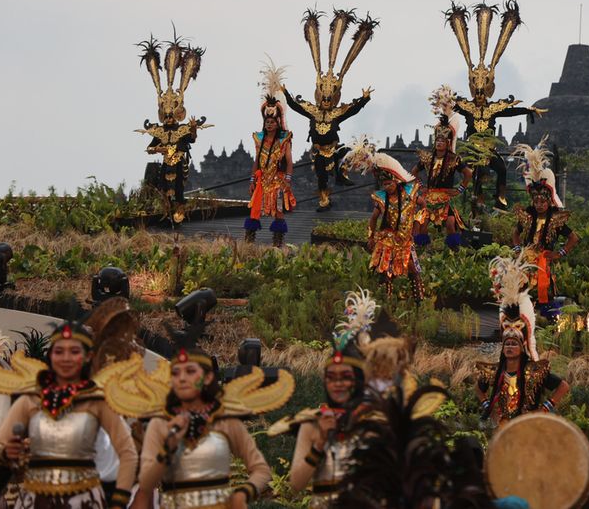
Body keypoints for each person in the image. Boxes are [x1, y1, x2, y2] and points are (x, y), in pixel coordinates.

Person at [109, 326, 289, 509]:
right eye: (176, 373)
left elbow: (260, 470)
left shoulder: (224, 422)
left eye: (190, 371)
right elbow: (145, 484)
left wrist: (242, 494)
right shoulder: (160, 423)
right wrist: (167, 449)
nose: (182, 379)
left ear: (208, 377)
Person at [0, 319, 138, 509]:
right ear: (50, 356)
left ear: (88, 356)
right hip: (36, 500)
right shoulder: (30, 400)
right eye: (59, 351)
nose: (66, 358)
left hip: (85, 501)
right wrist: (4, 453)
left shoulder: (97, 402)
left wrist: (119, 502)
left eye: (74, 352)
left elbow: (129, 454)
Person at [272, 289, 378, 509]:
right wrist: (319, 444)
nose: (337, 383)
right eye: (332, 377)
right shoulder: (313, 423)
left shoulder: (376, 421)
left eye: (345, 377)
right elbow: (296, 484)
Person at [444, 0, 545, 210]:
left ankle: (499, 196)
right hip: (472, 151)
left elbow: (510, 111)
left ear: (488, 90)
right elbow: (451, 108)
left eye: (483, 91)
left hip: (489, 151)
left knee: (501, 168)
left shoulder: (493, 109)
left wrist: (529, 109)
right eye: (477, 91)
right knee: (472, 172)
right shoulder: (467, 107)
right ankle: (472, 197)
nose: (480, 95)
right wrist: (444, 103)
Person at [282, 9, 377, 212]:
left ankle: (342, 175)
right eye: (323, 98)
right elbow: (294, 106)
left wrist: (365, 98)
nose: (325, 101)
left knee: (351, 151)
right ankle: (324, 200)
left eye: (329, 98)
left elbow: (354, 109)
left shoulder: (337, 113)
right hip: (318, 152)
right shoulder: (312, 111)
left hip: (334, 149)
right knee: (321, 177)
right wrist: (286, 93)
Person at [476, 254, 570, 425]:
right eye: (507, 344)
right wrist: (487, 406)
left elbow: (563, 386)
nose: (510, 346)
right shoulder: (496, 372)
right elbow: (478, 388)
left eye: (514, 343)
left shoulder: (534, 372)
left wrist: (545, 408)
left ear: (522, 346)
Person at [135, 33, 211, 223]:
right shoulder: (159, 131)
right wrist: (158, 149)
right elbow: (150, 148)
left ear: (178, 113)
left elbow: (192, 138)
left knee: (178, 189)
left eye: (171, 114)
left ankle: (178, 210)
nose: (168, 118)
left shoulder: (182, 130)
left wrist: (193, 128)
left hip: (178, 163)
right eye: (166, 115)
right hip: (165, 163)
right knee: (163, 188)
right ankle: (166, 210)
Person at [343, 137, 426, 301]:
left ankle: (419, 302)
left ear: (396, 181)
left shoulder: (410, 193)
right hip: (387, 239)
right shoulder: (381, 199)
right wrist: (370, 236)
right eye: (384, 184)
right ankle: (385, 301)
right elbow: (373, 219)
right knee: (385, 271)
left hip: (406, 240)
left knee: (414, 271)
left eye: (389, 183)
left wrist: (417, 222)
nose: (387, 187)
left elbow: (424, 207)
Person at [510, 139, 580, 311]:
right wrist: (519, 249)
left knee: (544, 290)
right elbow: (515, 234)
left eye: (543, 201)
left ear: (549, 202)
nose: (539, 204)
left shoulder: (555, 219)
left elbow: (573, 237)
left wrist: (559, 253)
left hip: (544, 259)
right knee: (522, 291)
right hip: (526, 259)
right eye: (536, 201)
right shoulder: (528, 216)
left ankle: (547, 319)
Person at [411, 85, 473, 250]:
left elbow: (468, 173)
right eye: (437, 140)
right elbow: (414, 172)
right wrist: (421, 187)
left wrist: (460, 189)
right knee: (422, 223)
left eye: (442, 141)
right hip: (429, 196)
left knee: (451, 223)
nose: (439, 143)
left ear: (447, 143)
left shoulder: (454, 159)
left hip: (445, 197)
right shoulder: (428, 157)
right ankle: (423, 251)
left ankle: (454, 252)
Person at [244, 60, 296, 246]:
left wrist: (287, 181)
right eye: (267, 121)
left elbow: (289, 161)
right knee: (254, 211)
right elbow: (256, 160)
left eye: (272, 122)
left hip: (278, 180)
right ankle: (248, 244)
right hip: (261, 180)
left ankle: (277, 244)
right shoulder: (259, 139)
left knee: (279, 211)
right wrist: (252, 180)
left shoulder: (284, 139)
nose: (269, 124)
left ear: (277, 122)